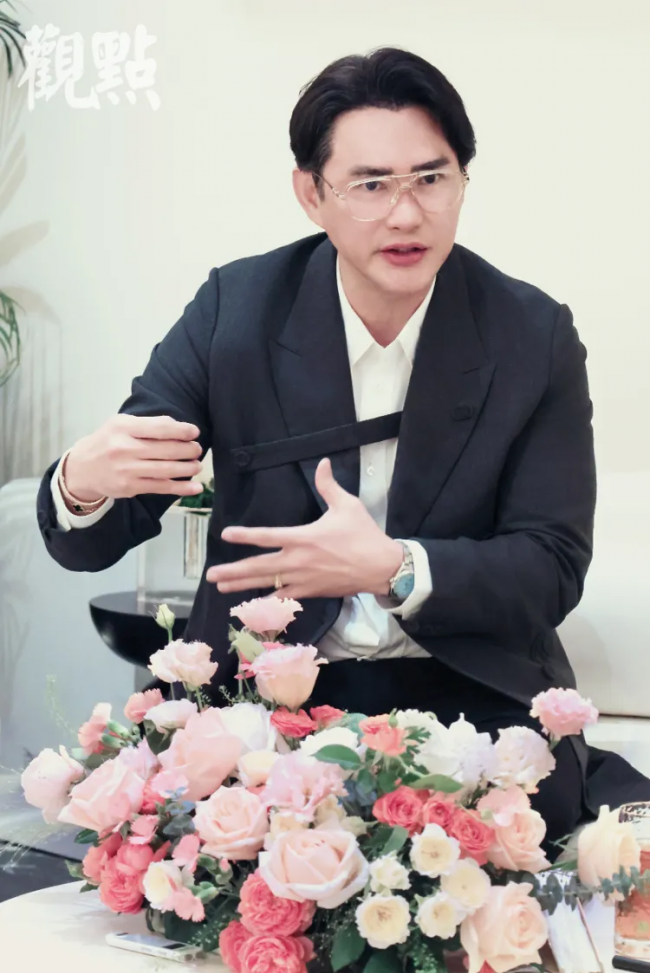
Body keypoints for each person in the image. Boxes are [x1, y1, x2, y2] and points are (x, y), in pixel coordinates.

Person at [36, 47, 649, 856]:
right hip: (267, 702)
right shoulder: (236, 313)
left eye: (431, 178)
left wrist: (395, 567)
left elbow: (551, 566)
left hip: (469, 694)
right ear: (311, 193)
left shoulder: (530, 336)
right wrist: (81, 484)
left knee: (474, 861)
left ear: (463, 181)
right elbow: (102, 529)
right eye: (371, 185)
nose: (406, 214)